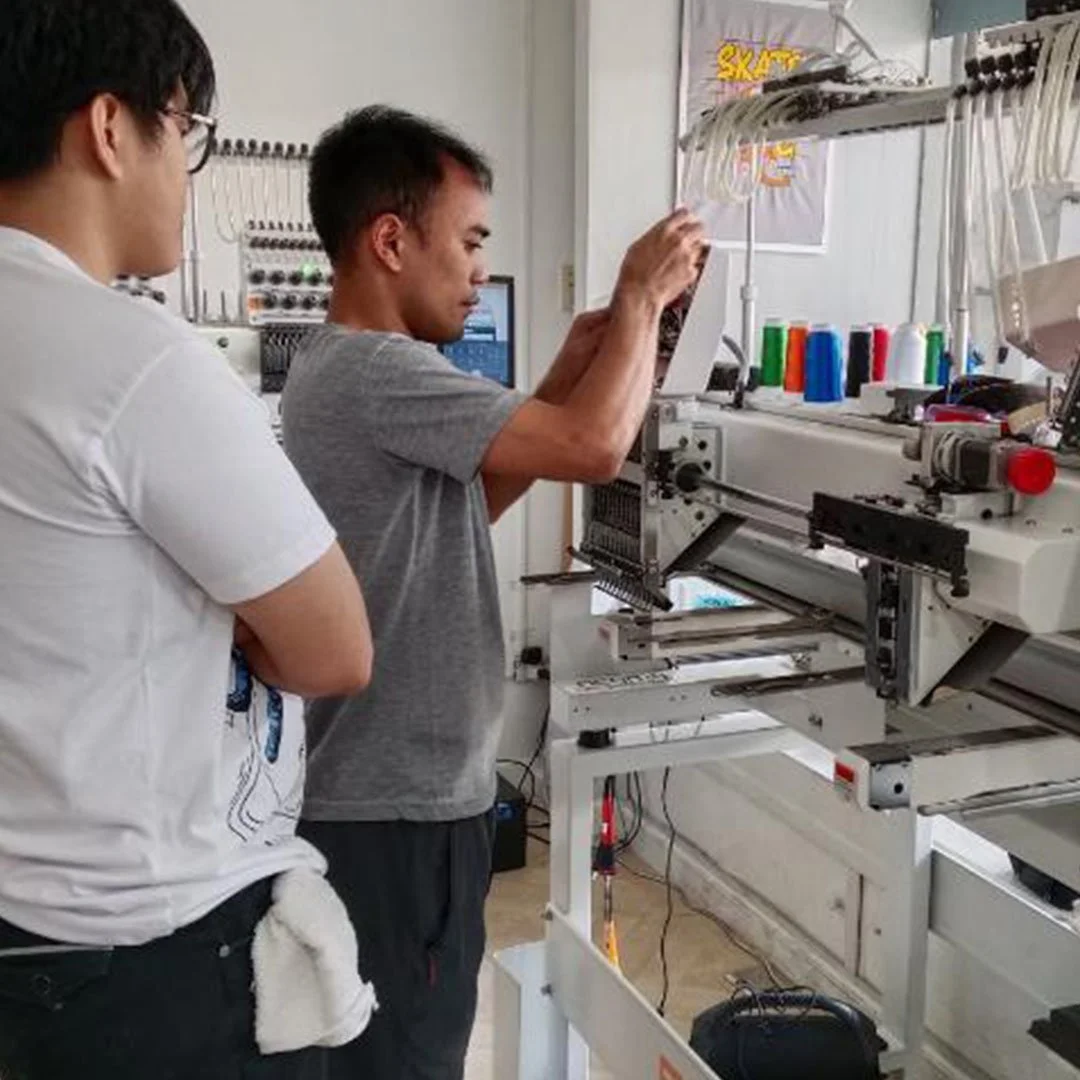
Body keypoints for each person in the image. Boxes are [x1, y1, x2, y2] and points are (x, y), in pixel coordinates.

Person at [281, 104, 704, 1080]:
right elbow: (596, 448)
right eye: (470, 242)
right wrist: (642, 297)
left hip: (390, 801)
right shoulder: (379, 371)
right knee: (407, 1054)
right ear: (391, 240)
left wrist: (569, 365)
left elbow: (472, 500)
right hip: (396, 811)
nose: (480, 269)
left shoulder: (345, 368)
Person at [0, 2, 374, 1077]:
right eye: (187, 128)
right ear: (110, 129)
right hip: (155, 952)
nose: (187, 168)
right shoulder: (134, 359)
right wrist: (238, 620)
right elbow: (333, 648)